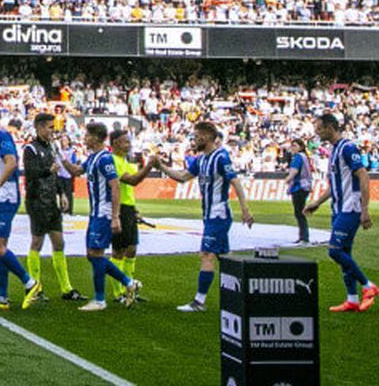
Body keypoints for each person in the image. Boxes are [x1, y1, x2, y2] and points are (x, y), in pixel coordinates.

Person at [153, 121, 249, 312]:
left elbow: (235, 181)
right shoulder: (201, 159)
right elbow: (182, 177)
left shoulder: (221, 157)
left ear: (206, 137)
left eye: (197, 137)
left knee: (206, 254)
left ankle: (199, 301)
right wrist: (161, 167)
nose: (194, 140)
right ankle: (244, 296)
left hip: (218, 214)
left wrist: (245, 209)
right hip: (209, 215)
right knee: (225, 257)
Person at [304, 112, 379, 313]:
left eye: (319, 128)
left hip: (351, 207)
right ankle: (352, 299)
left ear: (330, 127)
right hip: (338, 208)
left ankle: (367, 285)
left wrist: (365, 209)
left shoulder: (347, 148)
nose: (317, 132)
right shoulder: (334, 151)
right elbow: (334, 186)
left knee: (335, 250)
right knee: (344, 252)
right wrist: (317, 202)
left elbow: (363, 175)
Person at [69, 122, 140, 311]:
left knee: (96, 253)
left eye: (86, 136)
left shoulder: (104, 159)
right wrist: (59, 158)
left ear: (94, 137)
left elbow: (115, 185)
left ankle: (100, 300)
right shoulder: (92, 158)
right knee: (92, 254)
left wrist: (115, 216)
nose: (84, 139)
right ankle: (128, 282)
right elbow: (76, 171)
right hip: (96, 213)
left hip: (104, 212)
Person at [0, 104, 39, 311]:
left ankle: (30, 283)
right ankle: (2, 297)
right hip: (0, 195)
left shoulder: (2, 136)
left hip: (5, 196)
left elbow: (11, 163)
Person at [22, 112, 79, 300]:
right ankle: (35, 288)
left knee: (59, 242)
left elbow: (58, 174)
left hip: (51, 202)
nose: (52, 131)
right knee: (37, 242)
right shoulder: (30, 149)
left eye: (53, 127)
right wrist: (48, 170)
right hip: (36, 200)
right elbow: (30, 173)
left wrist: (62, 193)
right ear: (38, 128)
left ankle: (66, 288)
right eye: (49, 127)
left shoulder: (53, 147)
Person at [106, 128, 156, 301]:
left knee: (132, 249)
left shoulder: (124, 161)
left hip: (128, 208)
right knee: (118, 251)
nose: (129, 144)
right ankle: (118, 292)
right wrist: (149, 165)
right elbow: (132, 181)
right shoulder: (112, 161)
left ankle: (130, 289)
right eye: (125, 141)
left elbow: (128, 189)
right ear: (115, 143)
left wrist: (134, 209)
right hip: (119, 209)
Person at [286, 137, 314, 245]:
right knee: (299, 212)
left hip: (300, 186)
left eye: (295, 146)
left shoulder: (298, 157)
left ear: (300, 147)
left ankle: (304, 237)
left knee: (299, 212)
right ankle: (303, 236)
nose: (292, 148)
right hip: (305, 186)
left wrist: (288, 179)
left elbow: (294, 171)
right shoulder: (304, 157)